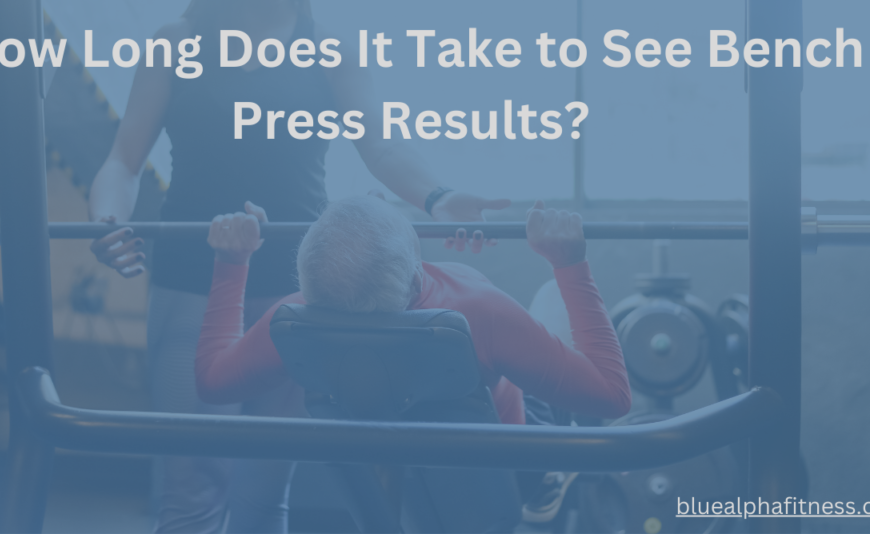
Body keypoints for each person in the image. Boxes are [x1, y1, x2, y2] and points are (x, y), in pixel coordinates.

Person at [87, 0, 509, 531]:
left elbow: (380, 149)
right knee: (191, 489)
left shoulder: (329, 50)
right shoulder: (174, 46)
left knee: (264, 490)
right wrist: (106, 219)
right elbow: (123, 159)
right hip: (192, 278)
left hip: (297, 288)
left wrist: (439, 196)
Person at [193, 195, 631, 527]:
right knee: (552, 297)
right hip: (505, 478)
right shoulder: (479, 308)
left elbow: (212, 382)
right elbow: (612, 395)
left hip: (389, 501)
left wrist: (231, 262)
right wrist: (569, 262)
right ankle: (555, 468)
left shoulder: (295, 319)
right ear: (415, 270)